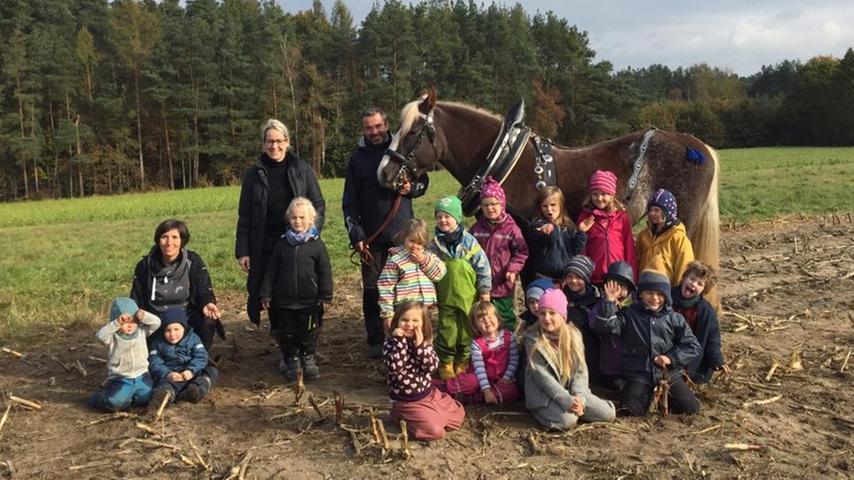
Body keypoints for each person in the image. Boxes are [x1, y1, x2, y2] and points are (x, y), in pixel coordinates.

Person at [343, 108, 429, 358]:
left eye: (378, 126)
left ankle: (412, 333)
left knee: (407, 288)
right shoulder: (357, 159)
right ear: (363, 130)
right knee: (373, 289)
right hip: (371, 239)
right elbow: (349, 201)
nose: (374, 132)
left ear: (386, 124)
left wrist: (412, 188)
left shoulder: (400, 146)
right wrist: (356, 234)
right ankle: (376, 339)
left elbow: (424, 181)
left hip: (404, 236)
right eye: (369, 128)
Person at [236, 119, 326, 329]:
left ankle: (308, 343)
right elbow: (245, 215)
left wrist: (312, 232)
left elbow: (318, 204)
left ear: (287, 141)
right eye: (269, 141)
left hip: (298, 243)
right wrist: (243, 251)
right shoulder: (253, 174)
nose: (274, 146)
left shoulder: (302, 169)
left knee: (304, 292)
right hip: (266, 245)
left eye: (278, 141)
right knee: (273, 297)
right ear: (263, 143)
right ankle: (284, 346)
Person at [596, 270, 701, 416]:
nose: (655, 298)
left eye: (660, 294)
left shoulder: (674, 318)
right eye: (649, 293)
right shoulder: (628, 315)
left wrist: (670, 358)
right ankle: (641, 395)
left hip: (668, 374)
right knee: (630, 410)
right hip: (639, 373)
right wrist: (609, 303)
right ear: (641, 294)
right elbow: (605, 327)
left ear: (666, 296)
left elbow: (692, 346)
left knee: (690, 408)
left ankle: (659, 398)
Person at [260, 198, 333, 380]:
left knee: (308, 332)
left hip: (309, 302)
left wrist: (325, 296)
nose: (298, 221)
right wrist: (266, 294)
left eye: (302, 217)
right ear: (288, 220)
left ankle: (308, 358)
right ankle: (291, 360)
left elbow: (325, 272)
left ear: (311, 220)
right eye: (293, 218)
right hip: (284, 302)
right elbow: (271, 272)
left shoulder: (316, 245)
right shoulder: (282, 244)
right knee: (288, 334)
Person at [524, 289, 616, 430]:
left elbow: (581, 371)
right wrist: (566, 400)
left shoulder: (574, 335)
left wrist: (580, 399)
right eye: (542, 313)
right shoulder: (533, 339)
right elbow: (543, 378)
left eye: (552, 313)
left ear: (563, 316)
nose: (546, 318)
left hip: (572, 391)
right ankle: (538, 412)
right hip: (545, 394)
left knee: (608, 414)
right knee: (567, 421)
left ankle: (577, 408)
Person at [131, 219, 222, 350]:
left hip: (185, 313)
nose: (169, 243)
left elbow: (204, 290)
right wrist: (137, 314)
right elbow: (136, 297)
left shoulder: (193, 260)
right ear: (158, 240)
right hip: (155, 316)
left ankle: (201, 358)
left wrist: (207, 303)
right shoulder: (144, 266)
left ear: (182, 241)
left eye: (175, 237)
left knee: (208, 321)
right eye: (164, 237)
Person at [429, 196, 492, 380]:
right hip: (445, 296)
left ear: (457, 218)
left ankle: (463, 360)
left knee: (467, 329)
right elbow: (428, 270)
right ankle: (446, 361)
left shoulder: (469, 242)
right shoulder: (435, 245)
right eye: (439, 217)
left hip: (468, 297)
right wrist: (430, 294)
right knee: (447, 329)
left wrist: (485, 290)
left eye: (447, 216)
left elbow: (483, 267)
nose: (443, 220)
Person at [384, 301, 465, 441]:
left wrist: (420, 347)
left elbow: (431, 367)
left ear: (423, 324)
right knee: (435, 431)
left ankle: (430, 415)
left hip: (429, 395)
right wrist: (400, 342)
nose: (409, 324)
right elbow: (395, 368)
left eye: (415, 320)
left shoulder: (424, 343)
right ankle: (400, 415)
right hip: (407, 401)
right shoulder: (391, 344)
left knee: (458, 416)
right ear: (397, 321)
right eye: (404, 320)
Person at [470, 177, 529, 329]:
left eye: (494, 204)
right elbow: (468, 251)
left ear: (502, 204)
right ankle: (488, 344)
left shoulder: (511, 229)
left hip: (502, 282)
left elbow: (521, 252)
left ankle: (509, 341)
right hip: (481, 284)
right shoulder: (476, 229)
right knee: (484, 316)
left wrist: (512, 269)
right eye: (486, 205)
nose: (490, 208)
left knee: (504, 314)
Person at [435, 301, 520, 405]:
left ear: (498, 318)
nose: (486, 321)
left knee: (512, 391)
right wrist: (486, 389)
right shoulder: (477, 344)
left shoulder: (509, 337)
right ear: (475, 325)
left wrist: (507, 376)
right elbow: (479, 369)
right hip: (480, 378)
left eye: (489, 317)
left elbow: (514, 360)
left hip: (501, 379)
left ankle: (471, 398)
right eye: (481, 319)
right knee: (470, 382)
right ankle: (443, 387)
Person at [89, 298, 161, 412]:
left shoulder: (142, 331)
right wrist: (117, 323)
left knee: (147, 399)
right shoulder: (112, 337)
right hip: (121, 378)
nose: (130, 326)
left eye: (133, 322)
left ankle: (131, 398)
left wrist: (143, 315)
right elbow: (100, 336)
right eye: (125, 323)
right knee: (115, 403)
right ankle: (100, 398)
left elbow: (157, 322)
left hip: (142, 375)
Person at [377, 219, 446, 330]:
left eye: (419, 243)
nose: (415, 246)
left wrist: (424, 261)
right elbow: (386, 287)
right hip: (404, 309)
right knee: (404, 339)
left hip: (427, 308)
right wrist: (387, 313)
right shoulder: (396, 260)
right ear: (404, 239)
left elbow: (439, 275)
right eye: (412, 241)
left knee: (425, 339)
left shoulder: (430, 257)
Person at [672, 261, 729, 383]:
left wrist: (717, 360)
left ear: (704, 289)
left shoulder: (705, 310)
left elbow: (712, 338)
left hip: (689, 354)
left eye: (700, 283)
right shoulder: (667, 298)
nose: (693, 284)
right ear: (684, 278)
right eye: (692, 278)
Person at [148, 309, 219, 408]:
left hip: (192, 373)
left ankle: (195, 391)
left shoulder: (193, 338)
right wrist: (168, 373)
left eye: (176, 329)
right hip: (172, 375)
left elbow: (201, 356)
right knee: (164, 384)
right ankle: (166, 395)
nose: (172, 334)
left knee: (212, 371)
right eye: (168, 330)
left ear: (184, 328)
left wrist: (191, 370)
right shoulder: (158, 343)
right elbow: (154, 362)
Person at [577, 170, 637, 286]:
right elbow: (582, 249)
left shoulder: (621, 217)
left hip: (618, 277)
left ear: (612, 195)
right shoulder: (585, 217)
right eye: (595, 194)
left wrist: (632, 277)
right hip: (594, 278)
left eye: (604, 194)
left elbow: (629, 248)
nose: (599, 198)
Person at [525, 186, 593, 284]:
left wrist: (581, 232)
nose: (549, 209)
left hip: (565, 279)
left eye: (553, 205)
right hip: (545, 278)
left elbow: (576, 250)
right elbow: (549, 240)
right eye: (545, 206)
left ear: (560, 205)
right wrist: (549, 232)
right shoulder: (537, 226)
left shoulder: (568, 227)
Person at [588, 261, 635, 392]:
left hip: (631, 365)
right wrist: (609, 303)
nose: (617, 290)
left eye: (622, 286)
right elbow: (600, 327)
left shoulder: (634, 310)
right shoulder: (599, 307)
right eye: (613, 285)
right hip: (610, 366)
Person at [636, 189, 694, 286]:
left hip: (666, 290)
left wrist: (678, 293)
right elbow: (637, 260)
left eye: (657, 210)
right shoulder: (643, 236)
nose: (652, 214)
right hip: (644, 288)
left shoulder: (678, 238)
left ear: (667, 212)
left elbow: (684, 267)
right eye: (650, 210)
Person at [561, 255, 602, 385]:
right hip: (567, 349)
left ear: (586, 279)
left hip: (590, 351)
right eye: (570, 277)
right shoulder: (561, 298)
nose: (573, 281)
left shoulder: (595, 300)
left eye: (578, 277)